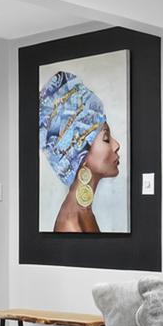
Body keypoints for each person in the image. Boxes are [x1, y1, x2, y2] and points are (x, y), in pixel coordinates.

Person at [38, 69, 121, 233]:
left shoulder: (84, 212)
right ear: (80, 155)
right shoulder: (71, 224)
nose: (116, 145)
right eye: (106, 138)